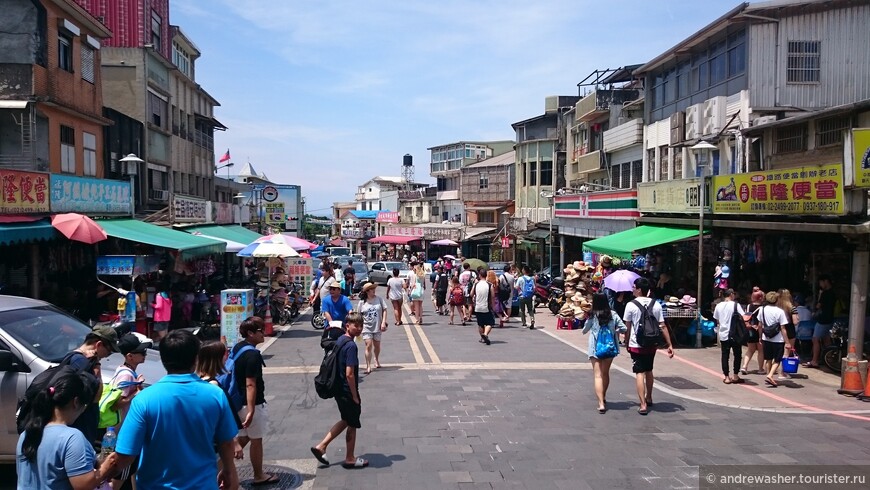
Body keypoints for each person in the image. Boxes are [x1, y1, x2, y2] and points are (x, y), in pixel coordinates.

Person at [104, 330, 239, 489]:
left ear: (163, 359)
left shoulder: (144, 399)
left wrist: (99, 475)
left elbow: (126, 453)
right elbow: (226, 443)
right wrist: (228, 470)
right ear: (196, 359)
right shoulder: (215, 395)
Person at [16, 369, 110, 489]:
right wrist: (106, 467)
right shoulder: (72, 438)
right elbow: (83, 485)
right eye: (85, 405)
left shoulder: (27, 433)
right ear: (76, 402)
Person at [311, 312, 368, 469]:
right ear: (347, 325)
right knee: (352, 423)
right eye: (356, 325)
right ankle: (349, 458)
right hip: (346, 390)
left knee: (346, 419)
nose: (359, 329)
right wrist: (355, 396)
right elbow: (350, 374)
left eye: (361, 326)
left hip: (338, 388)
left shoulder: (341, 339)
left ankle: (322, 446)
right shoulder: (351, 346)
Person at [231, 317, 277, 486]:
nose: (263, 333)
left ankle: (219, 466)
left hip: (237, 401)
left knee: (244, 438)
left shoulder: (238, 347)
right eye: (260, 330)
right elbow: (251, 384)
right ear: (250, 333)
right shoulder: (252, 355)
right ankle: (259, 475)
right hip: (252, 403)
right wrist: (251, 410)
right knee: (256, 439)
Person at [622, 277, 674, 415]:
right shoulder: (656, 304)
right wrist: (669, 344)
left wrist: (626, 342)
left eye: (634, 287)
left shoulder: (630, 305)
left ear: (639, 290)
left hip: (636, 343)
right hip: (652, 342)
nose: (632, 289)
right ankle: (649, 397)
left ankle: (643, 404)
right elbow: (662, 325)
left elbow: (627, 327)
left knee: (639, 372)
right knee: (649, 369)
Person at [69, 325, 121, 449]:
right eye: (109, 351)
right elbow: (96, 396)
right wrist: (97, 364)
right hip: (80, 427)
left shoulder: (76, 359)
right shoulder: (81, 363)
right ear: (99, 345)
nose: (108, 355)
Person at [108, 334, 149, 489]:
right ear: (130, 356)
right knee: (121, 473)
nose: (144, 354)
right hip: (121, 431)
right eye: (141, 352)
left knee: (130, 469)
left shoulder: (125, 370)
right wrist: (136, 394)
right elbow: (116, 403)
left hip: (121, 429)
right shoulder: (126, 374)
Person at [195, 341, 244, 460]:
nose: (227, 357)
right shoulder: (213, 385)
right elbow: (222, 416)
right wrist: (236, 443)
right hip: (217, 442)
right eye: (225, 353)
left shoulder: (198, 380)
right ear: (217, 358)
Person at [582, 293, 627, 413]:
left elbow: (584, 330)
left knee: (597, 375)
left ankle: (601, 403)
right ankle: (604, 396)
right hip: (609, 347)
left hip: (595, 348)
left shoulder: (593, 315)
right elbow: (624, 328)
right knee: (605, 373)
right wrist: (614, 330)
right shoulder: (613, 314)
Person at [712, 289, 746, 384]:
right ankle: (735, 376)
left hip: (723, 334)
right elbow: (743, 316)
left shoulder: (718, 305)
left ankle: (726, 377)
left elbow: (717, 319)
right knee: (737, 354)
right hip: (735, 334)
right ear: (731, 294)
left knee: (725, 355)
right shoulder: (736, 305)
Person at [757, 291, 789, 387]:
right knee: (777, 359)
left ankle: (768, 374)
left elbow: (760, 325)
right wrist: (787, 342)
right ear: (776, 300)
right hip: (778, 339)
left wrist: (760, 337)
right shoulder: (780, 311)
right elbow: (783, 328)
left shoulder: (762, 309)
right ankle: (770, 375)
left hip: (766, 337)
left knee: (768, 359)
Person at [357, 282, 388, 374]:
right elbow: (358, 315)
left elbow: (385, 309)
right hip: (366, 327)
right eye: (371, 289)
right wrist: (358, 327)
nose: (373, 291)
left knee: (377, 346)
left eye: (374, 289)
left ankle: (376, 359)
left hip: (377, 326)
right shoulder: (362, 303)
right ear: (367, 291)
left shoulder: (379, 299)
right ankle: (368, 366)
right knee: (368, 345)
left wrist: (383, 322)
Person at [806, 275, 835, 368]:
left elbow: (818, 305)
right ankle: (829, 359)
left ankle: (814, 360)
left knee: (815, 339)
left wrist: (819, 295)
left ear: (825, 281)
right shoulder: (833, 293)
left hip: (822, 319)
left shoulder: (825, 293)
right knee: (827, 339)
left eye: (821, 282)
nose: (820, 284)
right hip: (830, 318)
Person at [740, 287, 766, 375]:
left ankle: (744, 366)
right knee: (760, 350)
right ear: (761, 298)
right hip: (759, 330)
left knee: (750, 350)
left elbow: (746, 317)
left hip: (750, 329)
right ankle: (760, 369)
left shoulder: (748, 306)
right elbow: (761, 321)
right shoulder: (763, 308)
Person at [776, 289, 798, 379]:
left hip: (778, 330)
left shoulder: (776, 307)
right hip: (789, 331)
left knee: (778, 351)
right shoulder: (792, 308)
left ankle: (771, 370)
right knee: (787, 351)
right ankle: (782, 372)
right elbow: (795, 322)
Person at [472, 270, 497, 345]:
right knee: (490, 323)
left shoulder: (476, 284)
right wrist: (493, 306)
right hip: (486, 307)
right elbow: (493, 296)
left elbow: (471, 294)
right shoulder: (490, 285)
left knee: (480, 324)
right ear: (486, 275)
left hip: (478, 307)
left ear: (479, 275)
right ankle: (485, 334)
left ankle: (482, 338)